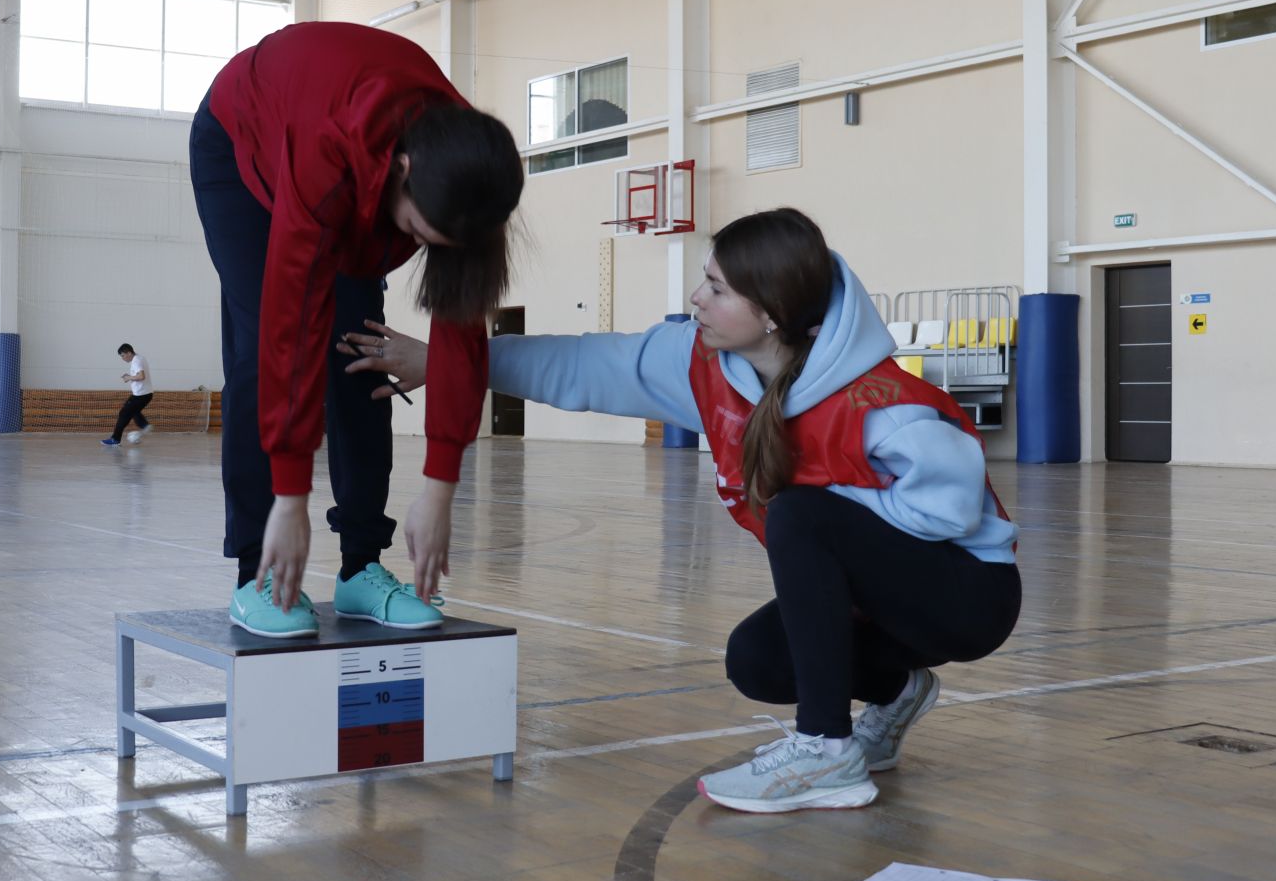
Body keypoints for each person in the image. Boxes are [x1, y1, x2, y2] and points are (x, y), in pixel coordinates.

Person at [341, 208, 1019, 813]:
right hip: (873, 608)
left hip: (963, 597)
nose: (696, 297)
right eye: (704, 278)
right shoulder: (702, 364)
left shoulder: (882, 406)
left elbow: (953, 513)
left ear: (772, 313)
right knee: (756, 660)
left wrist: (834, 534)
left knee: (802, 514)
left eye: (718, 288)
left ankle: (825, 751)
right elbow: (581, 367)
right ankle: (897, 690)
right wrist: (448, 363)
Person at [191, 21, 524, 639]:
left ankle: (361, 567)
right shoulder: (329, 165)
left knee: (362, 352)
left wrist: (440, 488)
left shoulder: (469, 176)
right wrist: (291, 499)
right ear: (399, 171)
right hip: (241, 144)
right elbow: (290, 333)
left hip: (336, 140)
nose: (422, 250)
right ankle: (255, 575)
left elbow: (461, 335)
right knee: (261, 346)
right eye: (420, 235)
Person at [103, 343, 153, 445]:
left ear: (129, 353)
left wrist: (128, 378)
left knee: (124, 414)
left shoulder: (136, 361)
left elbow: (141, 376)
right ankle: (145, 425)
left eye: (123, 355)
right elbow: (140, 375)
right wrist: (130, 376)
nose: (122, 358)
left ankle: (115, 439)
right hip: (147, 394)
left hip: (140, 395)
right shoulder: (140, 358)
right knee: (134, 411)